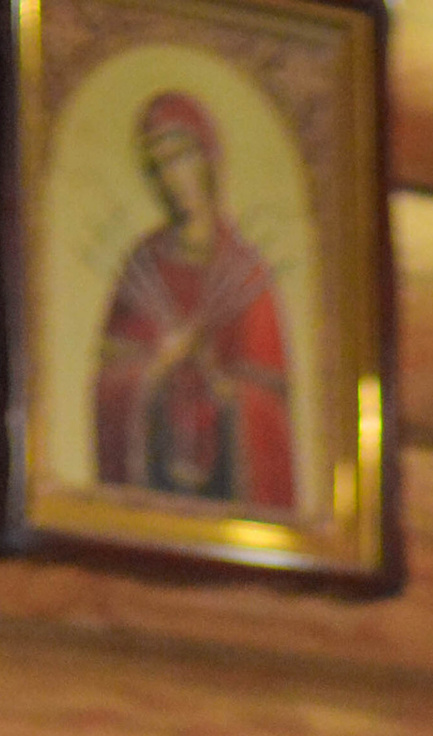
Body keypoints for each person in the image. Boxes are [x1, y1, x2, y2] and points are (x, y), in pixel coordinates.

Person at [93, 87, 295, 512]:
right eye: (157, 166)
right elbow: (107, 379)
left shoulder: (246, 274)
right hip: (154, 478)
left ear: (208, 159)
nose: (171, 177)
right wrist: (157, 366)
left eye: (181, 157)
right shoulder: (142, 268)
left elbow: (273, 400)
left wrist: (224, 389)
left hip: (227, 483)